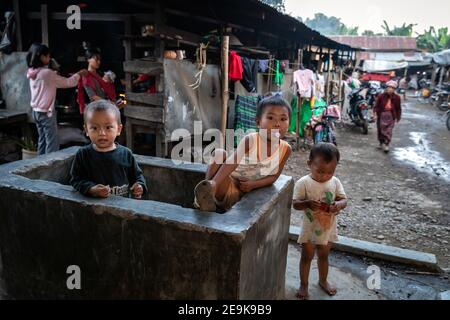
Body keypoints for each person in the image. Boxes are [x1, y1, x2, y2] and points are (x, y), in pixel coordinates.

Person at [194, 95, 293, 212]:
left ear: (289, 124)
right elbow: (232, 162)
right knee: (219, 153)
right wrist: (215, 183)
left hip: (243, 194)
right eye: (270, 118)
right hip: (227, 185)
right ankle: (209, 191)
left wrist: (253, 184)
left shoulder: (285, 149)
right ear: (258, 122)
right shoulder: (250, 140)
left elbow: (274, 176)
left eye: (283, 119)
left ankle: (208, 197)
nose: (277, 124)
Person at [293, 143, 347, 300]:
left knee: (324, 255)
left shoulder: (335, 182)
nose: (325, 175)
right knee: (307, 257)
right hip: (310, 229)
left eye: (331, 171)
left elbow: (344, 200)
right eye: (321, 171)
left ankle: (323, 281)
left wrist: (337, 205)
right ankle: (304, 284)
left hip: (328, 228)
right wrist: (307, 203)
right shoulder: (303, 182)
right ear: (310, 164)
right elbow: (295, 204)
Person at [70, 100, 147, 199]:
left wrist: (139, 186)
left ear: (118, 129)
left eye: (108, 127)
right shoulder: (83, 154)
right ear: (86, 130)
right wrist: (91, 189)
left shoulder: (126, 154)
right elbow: (76, 179)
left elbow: (137, 176)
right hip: (94, 208)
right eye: (94, 128)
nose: (102, 133)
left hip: (123, 207)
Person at [26, 43, 87, 155]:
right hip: (46, 113)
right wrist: (79, 74)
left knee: (42, 140)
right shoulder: (47, 74)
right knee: (52, 142)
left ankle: (38, 164)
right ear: (41, 57)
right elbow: (68, 82)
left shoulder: (32, 72)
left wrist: (54, 74)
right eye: (48, 56)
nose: (49, 59)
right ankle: (50, 167)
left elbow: (46, 80)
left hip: (36, 112)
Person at [77, 47, 116, 114]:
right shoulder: (86, 76)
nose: (99, 62)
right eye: (96, 59)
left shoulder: (100, 74)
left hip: (103, 108)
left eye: (99, 60)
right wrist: (109, 103)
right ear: (88, 59)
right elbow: (93, 96)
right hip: (95, 110)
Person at [374, 80, 402, 153]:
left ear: (394, 89)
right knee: (380, 130)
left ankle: (386, 144)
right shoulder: (381, 96)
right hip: (382, 115)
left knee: (389, 131)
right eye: (389, 87)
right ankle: (381, 142)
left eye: (392, 88)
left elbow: (398, 108)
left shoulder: (397, 97)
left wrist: (398, 117)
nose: (390, 89)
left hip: (391, 116)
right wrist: (375, 114)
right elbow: (376, 106)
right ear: (386, 88)